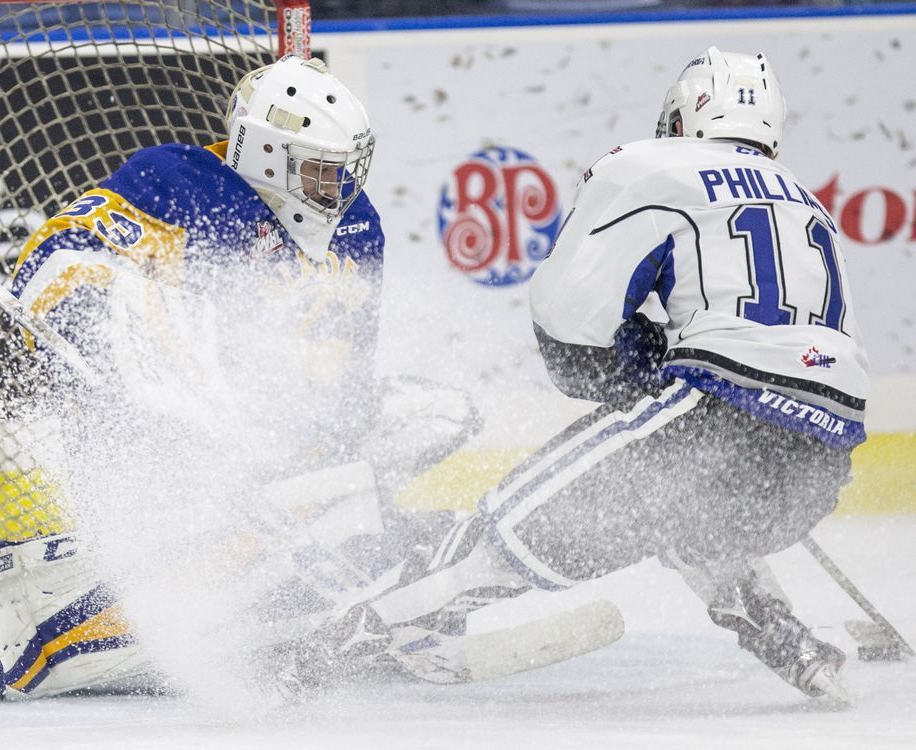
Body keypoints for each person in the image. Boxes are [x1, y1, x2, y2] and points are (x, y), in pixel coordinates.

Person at [321, 47, 866, 701]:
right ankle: (793, 643)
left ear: (684, 114)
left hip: (713, 418)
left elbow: (569, 323)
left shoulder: (650, 165)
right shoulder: (810, 206)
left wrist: (633, 367)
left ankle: (348, 636)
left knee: (499, 533)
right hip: (824, 460)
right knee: (690, 514)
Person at [0, 55, 478, 701]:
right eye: (323, 171)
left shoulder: (356, 225)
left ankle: (319, 590)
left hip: (286, 452)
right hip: (158, 448)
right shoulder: (179, 182)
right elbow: (59, 265)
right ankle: (53, 624)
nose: (341, 187)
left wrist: (334, 458)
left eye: (347, 169)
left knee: (440, 412)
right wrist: (111, 357)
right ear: (269, 155)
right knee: (150, 313)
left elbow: (349, 368)